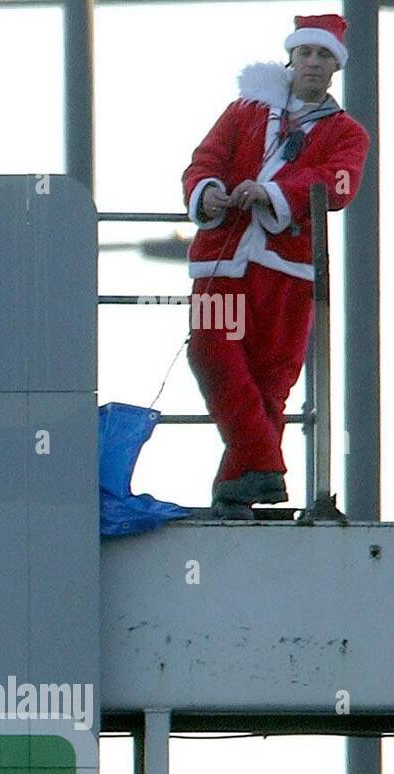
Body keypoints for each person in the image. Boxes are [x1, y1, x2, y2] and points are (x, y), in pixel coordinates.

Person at [181, 13, 370, 519]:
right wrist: (210, 191)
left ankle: (237, 489)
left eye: (323, 55)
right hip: (224, 264)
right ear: (291, 58)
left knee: (270, 377)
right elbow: (204, 162)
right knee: (209, 350)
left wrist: (271, 191)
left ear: (335, 67)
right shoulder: (244, 111)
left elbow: (338, 185)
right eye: (306, 53)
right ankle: (263, 463)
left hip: (288, 272)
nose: (312, 63)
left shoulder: (348, 133)